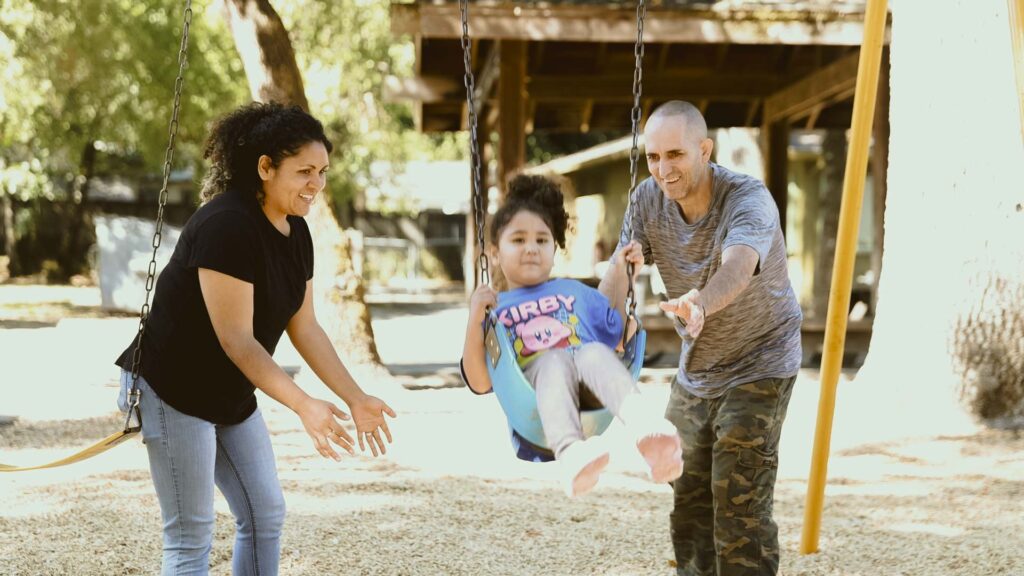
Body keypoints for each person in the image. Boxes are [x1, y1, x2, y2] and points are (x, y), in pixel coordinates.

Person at [114, 102, 396, 576]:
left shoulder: (297, 232)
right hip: (173, 387)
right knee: (190, 535)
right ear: (265, 167)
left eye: (323, 171)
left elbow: (304, 325)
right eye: (304, 171)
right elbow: (238, 341)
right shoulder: (226, 225)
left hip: (230, 392)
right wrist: (305, 404)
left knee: (265, 515)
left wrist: (354, 396)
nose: (317, 185)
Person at [600, 100, 802, 575]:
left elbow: (739, 265)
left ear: (704, 149)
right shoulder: (646, 199)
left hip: (762, 358)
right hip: (698, 368)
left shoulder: (747, 199)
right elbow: (617, 281)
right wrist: (603, 311)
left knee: (737, 499)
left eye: (676, 155)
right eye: (653, 157)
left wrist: (700, 303)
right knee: (687, 496)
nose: (663, 170)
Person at [461, 174, 683, 497]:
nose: (531, 249)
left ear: (555, 248)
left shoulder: (574, 292)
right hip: (536, 397)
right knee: (553, 361)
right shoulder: (496, 309)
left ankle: (647, 433)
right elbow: (480, 382)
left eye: (541, 240)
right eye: (518, 240)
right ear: (494, 253)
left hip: (591, 386)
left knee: (592, 352)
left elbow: (614, 336)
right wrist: (474, 319)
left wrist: (624, 274)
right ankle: (570, 453)